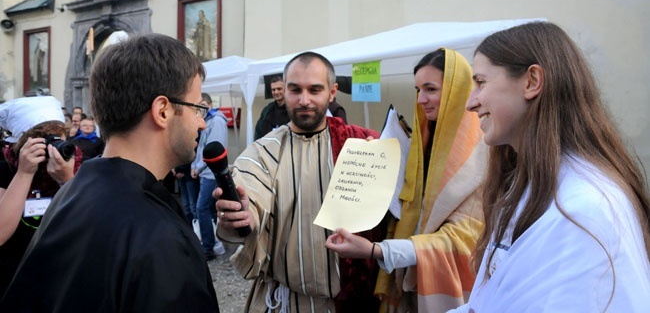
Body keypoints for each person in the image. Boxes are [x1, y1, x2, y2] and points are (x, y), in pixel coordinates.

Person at [0, 34, 220, 312]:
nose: (201, 122)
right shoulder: (159, 235)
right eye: (198, 107)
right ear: (162, 110)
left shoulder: (69, 192)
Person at [451, 21, 650, 312]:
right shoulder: (531, 188)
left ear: (532, 82)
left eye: (481, 82)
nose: (471, 103)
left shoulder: (582, 209)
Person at [215, 51, 385, 312]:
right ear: (284, 91)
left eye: (314, 90)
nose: (304, 100)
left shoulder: (360, 146)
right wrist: (241, 216)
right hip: (285, 302)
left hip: (349, 302)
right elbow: (249, 192)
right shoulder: (263, 151)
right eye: (295, 90)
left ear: (332, 92)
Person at [325, 48, 486, 312]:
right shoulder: (421, 145)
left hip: (455, 290)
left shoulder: (483, 152)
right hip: (410, 281)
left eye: (431, 89)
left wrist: (377, 251)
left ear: (457, 91)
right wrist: (379, 162)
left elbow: (465, 236)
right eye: (417, 89)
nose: (421, 99)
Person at [0, 96, 81, 298]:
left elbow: (87, 227)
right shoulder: (5, 170)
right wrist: (24, 173)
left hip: (60, 280)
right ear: (22, 141)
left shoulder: (78, 168)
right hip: (11, 281)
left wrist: (66, 181)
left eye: (58, 136)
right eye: (45, 138)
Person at [191, 92, 228, 259]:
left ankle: (208, 248)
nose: (202, 108)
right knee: (209, 209)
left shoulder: (217, 121)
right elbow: (200, 148)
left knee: (201, 209)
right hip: (203, 172)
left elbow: (212, 149)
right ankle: (215, 242)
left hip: (211, 174)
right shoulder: (207, 121)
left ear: (211, 104)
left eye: (204, 104)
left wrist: (198, 168)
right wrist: (195, 165)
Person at [254, 74, 289, 139]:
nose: (276, 92)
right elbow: (258, 132)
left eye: (279, 89)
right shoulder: (267, 110)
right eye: (273, 89)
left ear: (285, 89)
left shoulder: (292, 110)